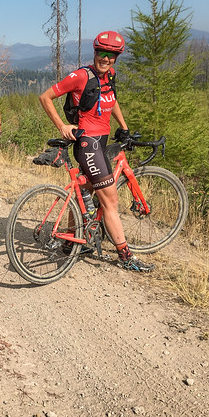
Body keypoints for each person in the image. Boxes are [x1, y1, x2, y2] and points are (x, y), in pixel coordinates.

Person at [38, 30, 155, 272]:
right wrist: (62, 126)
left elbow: (111, 100)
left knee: (86, 188)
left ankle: (71, 242)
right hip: (87, 144)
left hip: (100, 141)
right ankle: (125, 256)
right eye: (103, 53)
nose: (107, 59)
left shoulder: (110, 75)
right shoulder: (81, 76)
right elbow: (45, 96)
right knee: (110, 200)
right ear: (95, 52)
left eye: (112, 56)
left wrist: (123, 127)